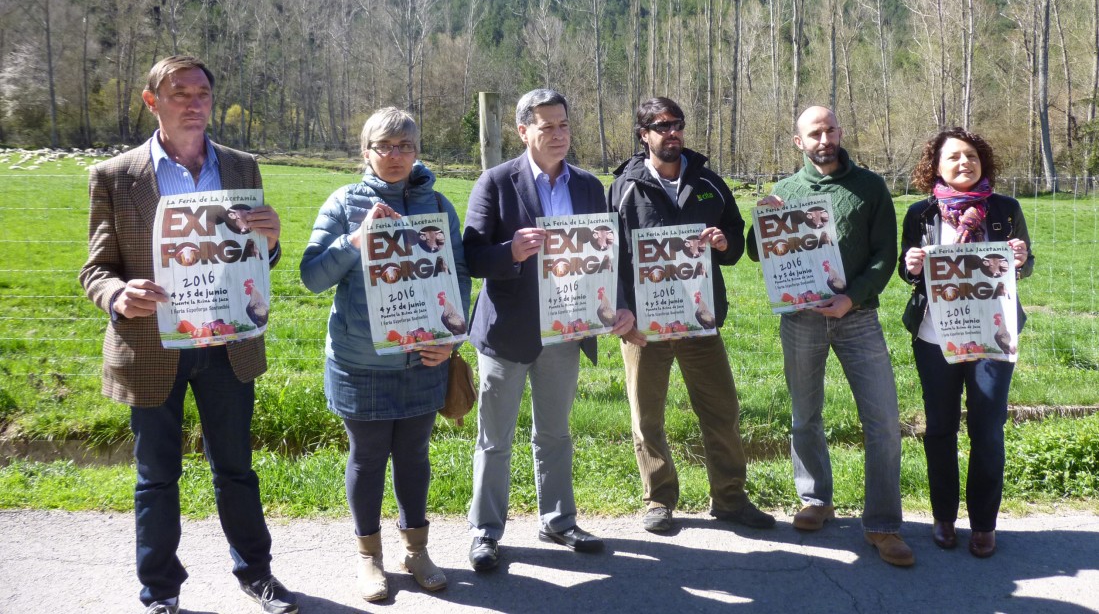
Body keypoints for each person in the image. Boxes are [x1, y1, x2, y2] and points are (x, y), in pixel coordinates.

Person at [79, 55, 297, 614]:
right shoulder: (115, 176)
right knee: (156, 480)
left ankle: (257, 575)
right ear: (152, 101)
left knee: (236, 469)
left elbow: (256, 264)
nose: (194, 103)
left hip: (227, 345)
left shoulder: (242, 168)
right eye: (180, 93)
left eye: (202, 92)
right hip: (152, 347)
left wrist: (270, 243)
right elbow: (95, 270)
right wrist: (116, 295)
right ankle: (160, 591)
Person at [299, 107, 471, 601]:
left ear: (417, 152)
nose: (395, 156)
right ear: (366, 152)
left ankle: (415, 550)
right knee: (368, 458)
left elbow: (458, 274)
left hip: (423, 360)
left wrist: (452, 337)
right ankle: (368, 556)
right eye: (384, 147)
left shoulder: (437, 203)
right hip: (361, 362)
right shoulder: (344, 202)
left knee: (415, 456)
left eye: (405, 147)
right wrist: (357, 239)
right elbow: (313, 277)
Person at [463, 88, 635, 571]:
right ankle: (485, 531)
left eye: (563, 125)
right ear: (523, 131)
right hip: (508, 333)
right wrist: (510, 252)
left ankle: (558, 520)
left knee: (555, 434)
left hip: (567, 328)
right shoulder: (495, 182)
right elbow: (473, 256)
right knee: (494, 439)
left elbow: (608, 255)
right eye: (547, 127)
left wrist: (618, 306)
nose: (559, 135)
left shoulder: (587, 185)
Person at [746, 105, 912, 567]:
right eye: (814, 133)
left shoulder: (870, 187)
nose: (824, 139)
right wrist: (761, 218)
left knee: (882, 422)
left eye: (830, 129)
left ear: (840, 132)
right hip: (801, 318)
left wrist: (852, 298)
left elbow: (884, 256)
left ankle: (883, 525)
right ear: (798, 141)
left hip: (858, 317)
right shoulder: (785, 190)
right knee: (805, 415)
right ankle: (815, 499)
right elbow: (758, 254)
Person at [608, 97, 774, 534]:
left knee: (722, 411)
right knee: (647, 418)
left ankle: (731, 500)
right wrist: (623, 312)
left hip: (701, 320)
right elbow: (610, 256)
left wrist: (723, 243)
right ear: (643, 134)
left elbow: (738, 242)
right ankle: (659, 500)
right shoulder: (624, 186)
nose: (672, 132)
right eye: (661, 126)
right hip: (646, 326)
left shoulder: (709, 182)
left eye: (677, 124)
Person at [898, 128, 1033, 558]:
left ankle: (984, 523)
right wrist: (912, 263)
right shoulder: (920, 214)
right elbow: (908, 273)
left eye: (971, 156)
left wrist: (1021, 258)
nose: (964, 163)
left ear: (982, 162)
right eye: (953, 157)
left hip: (992, 334)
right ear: (935, 166)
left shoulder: (1005, 209)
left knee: (988, 430)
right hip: (936, 336)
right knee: (939, 428)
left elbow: (1024, 268)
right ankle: (943, 517)